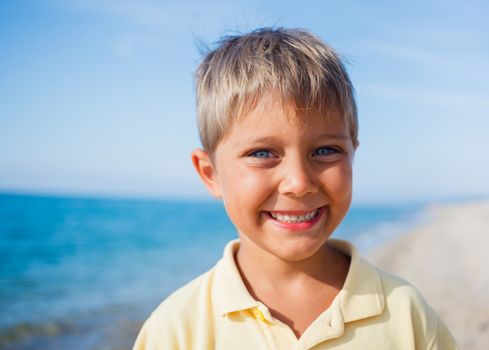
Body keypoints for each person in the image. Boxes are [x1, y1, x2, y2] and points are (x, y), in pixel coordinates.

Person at [133, 27, 458, 349]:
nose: (300, 183)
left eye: (325, 150)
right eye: (262, 154)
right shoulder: (177, 329)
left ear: (352, 155)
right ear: (210, 173)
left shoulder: (404, 313)